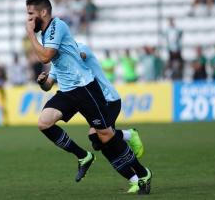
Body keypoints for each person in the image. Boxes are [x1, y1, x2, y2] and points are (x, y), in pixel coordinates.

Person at [25, 0, 152, 194]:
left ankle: (140, 174)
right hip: (67, 92)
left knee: (104, 136)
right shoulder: (50, 43)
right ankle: (83, 156)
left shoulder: (58, 28)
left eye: (31, 14)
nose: (29, 20)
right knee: (44, 122)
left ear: (43, 12)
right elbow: (50, 83)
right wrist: (43, 82)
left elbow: (47, 56)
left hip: (86, 89)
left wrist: (30, 35)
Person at [39, 42, 146, 193]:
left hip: (107, 99)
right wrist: (43, 82)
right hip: (90, 101)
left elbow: (81, 56)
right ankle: (135, 179)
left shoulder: (79, 49)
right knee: (97, 142)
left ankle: (130, 138)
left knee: (99, 136)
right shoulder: (57, 61)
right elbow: (48, 84)